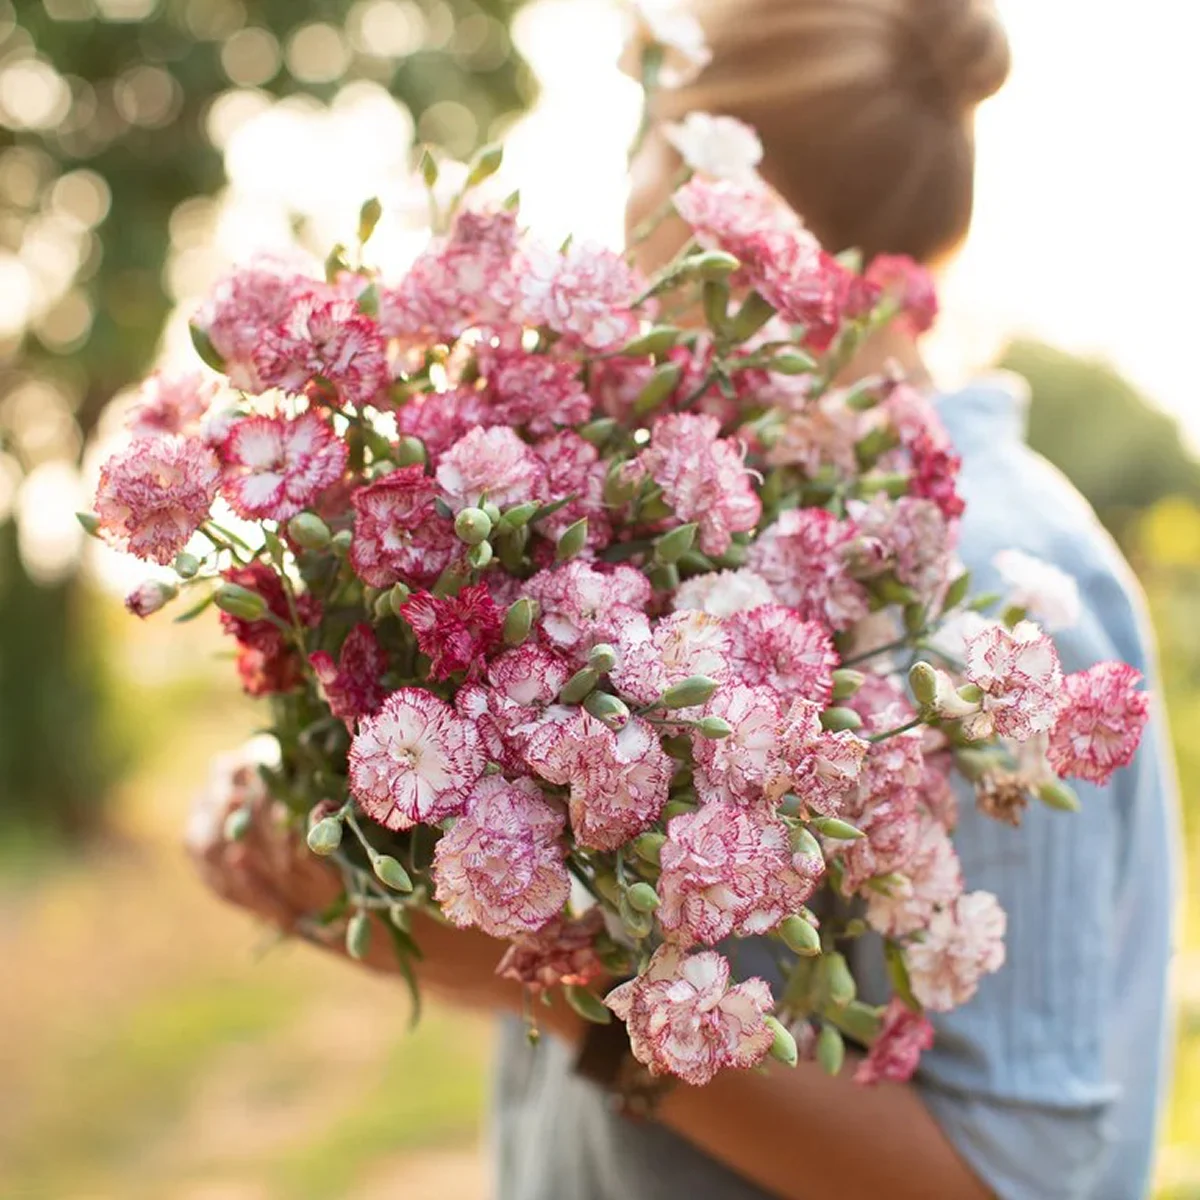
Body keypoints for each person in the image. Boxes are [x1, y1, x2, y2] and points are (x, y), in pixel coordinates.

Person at [192, 1, 1180, 1196]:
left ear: (726, 193)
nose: (627, 201)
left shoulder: (1006, 605)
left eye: (645, 138)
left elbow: (1005, 1179)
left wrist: (558, 979)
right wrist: (336, 852)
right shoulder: (663, 526)